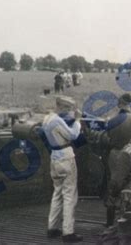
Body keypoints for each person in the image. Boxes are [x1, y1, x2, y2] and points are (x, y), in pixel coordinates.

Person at [43, 96, 83, 243]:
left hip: (54, 156)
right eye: (68, 109)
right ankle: (68, 232)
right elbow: (72, 135)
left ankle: (52, 228)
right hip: (66, 157)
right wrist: (77, 121)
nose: (69, 112)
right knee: (69, 195)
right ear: (64, 108)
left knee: (57, 193)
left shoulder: (47, 118)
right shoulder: (57, 120)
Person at [105, 93, 131, 227]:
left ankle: (109, 222)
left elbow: (107, 136)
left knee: (113, 186)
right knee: (129, 185)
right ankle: (127, 220)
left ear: (119, 104)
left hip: (114, 154)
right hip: (130, 155)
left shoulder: (112, 121)